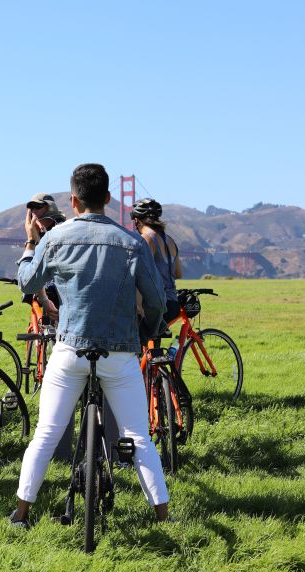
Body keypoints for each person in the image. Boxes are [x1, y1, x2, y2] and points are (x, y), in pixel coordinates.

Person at [9, 163, 170, 528]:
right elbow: (157, 299)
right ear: (109, 198)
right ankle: (163, 515)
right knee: (139, 437)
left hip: (70, 349)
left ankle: (21, 512)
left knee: (47, 432)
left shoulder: (56, 237)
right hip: (120, 352)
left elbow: (26, 281)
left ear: (74, 200)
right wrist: (148, 329)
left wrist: (31, 241)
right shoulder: (131, 242)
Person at [131, 198, 183, 327]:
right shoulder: (171, 241)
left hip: (155, 306)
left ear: (137, 221)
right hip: (173, 304)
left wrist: (139, 312)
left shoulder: (146, 239)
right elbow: (178, 274)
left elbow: (138, 275)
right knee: (153, 346)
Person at [24, 193, 68, 321]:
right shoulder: (45, 231)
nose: (34, 211)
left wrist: (31, 240)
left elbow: (31, 277)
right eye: (31, 209)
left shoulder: (58, 229)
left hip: (56, 291)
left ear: (50, 207)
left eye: (37, 207)